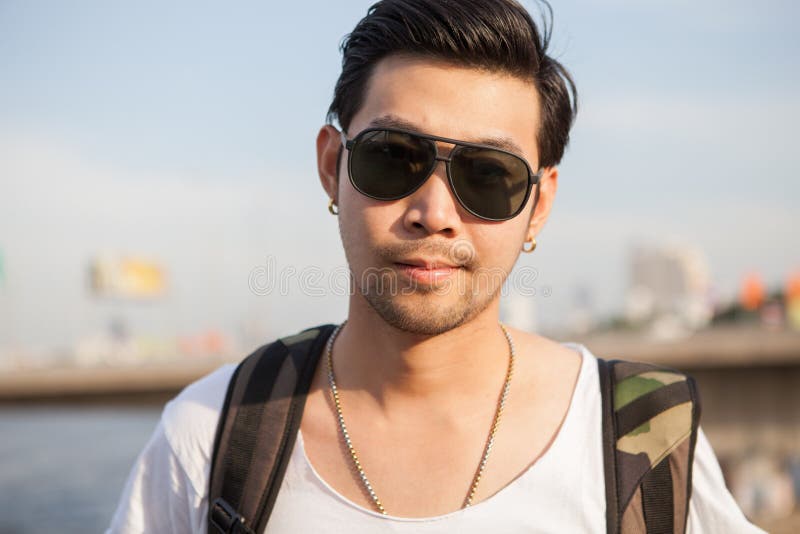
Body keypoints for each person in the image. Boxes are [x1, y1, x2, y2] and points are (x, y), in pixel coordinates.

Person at [108, 0, 764, 532]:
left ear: (539, 205)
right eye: (393, 157)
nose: (434, 211)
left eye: (489, 175)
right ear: (332, 166)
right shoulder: (212, 437)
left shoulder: (641, 440)